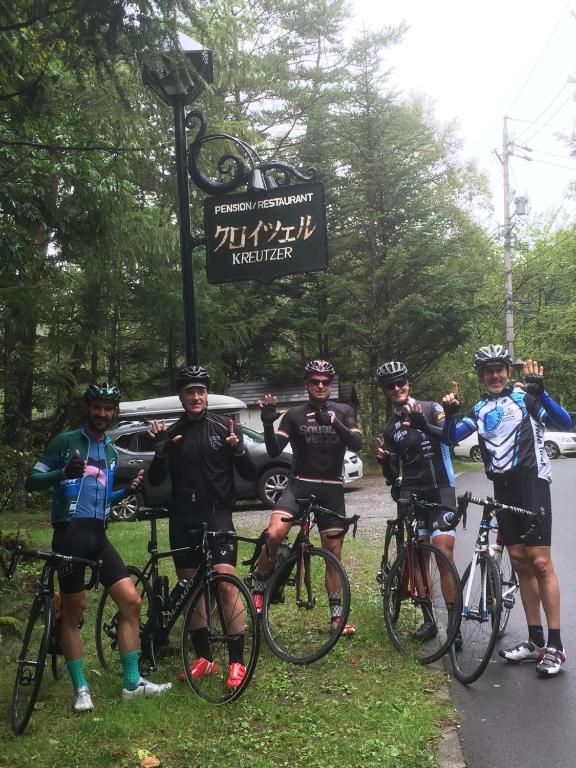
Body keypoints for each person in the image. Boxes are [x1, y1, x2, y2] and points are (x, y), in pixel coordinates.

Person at [25, 383, 171, 712]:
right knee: (74, 611)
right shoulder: (65, 442)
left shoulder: (111, 452)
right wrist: (62, 473)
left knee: (131, 602)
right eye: (97, 407)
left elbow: (101, 501)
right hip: (69, 535)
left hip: (98, 536)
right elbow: (30, 481)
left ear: (114, 412)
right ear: (88, 408)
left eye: (108, 408)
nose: (102, 413)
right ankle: (81, 688)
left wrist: (125, 492)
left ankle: (132, 683)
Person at [442, 344, 572, 676]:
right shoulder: (479, 408)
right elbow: (450, 437)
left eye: (499, 369)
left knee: (540, 562)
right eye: (488, 371)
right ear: (481, 376)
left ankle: (556, 646)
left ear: (508, 371)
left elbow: (565, 421)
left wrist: (541, 394)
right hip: (502, 487)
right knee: (519, 561)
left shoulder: (525, 398)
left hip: (532, 483)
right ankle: (535, 640)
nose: (495, 375)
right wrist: (451, 413)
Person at [147, 365, 256, 688]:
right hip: (183, 516)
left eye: (201, 391)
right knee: (191, 589)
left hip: (217, 513)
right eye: (190, 392)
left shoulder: (225, 427)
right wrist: (161, 451)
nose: (196, 396)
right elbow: (155, 480)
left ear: (207, 395)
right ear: (181, 396)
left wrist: (238, 449)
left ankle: (236, 661)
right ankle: (204, 658)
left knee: (226, 583)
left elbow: (250, 473)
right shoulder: (174, 432)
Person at [252, 359, 363, 635]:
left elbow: (356, 443)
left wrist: (334, 422)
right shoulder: (294, 414)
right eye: (315, 381)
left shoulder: (344, 411)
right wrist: (267, 423)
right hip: (299, 484)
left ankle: (336, 617)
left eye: (325, 381)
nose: (321, 386)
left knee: (333, 553)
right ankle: (260, 588)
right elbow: (275, 450)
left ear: (331, 384)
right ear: (307, 384)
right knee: (274, 534)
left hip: (331, 488)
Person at [375, 361, 459, 640]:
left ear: (408, 383)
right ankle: (428, 619)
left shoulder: (431, 408)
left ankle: (454, 621)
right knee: (420, 556)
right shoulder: (390, 428)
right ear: (385, 391)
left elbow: (449, 438)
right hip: (413, 495)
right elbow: (392, 476)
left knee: (444, 551)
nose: (397, 388)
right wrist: (385, 463)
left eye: (401, 382)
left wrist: (423, 424)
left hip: (441, 489)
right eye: (390, 385)